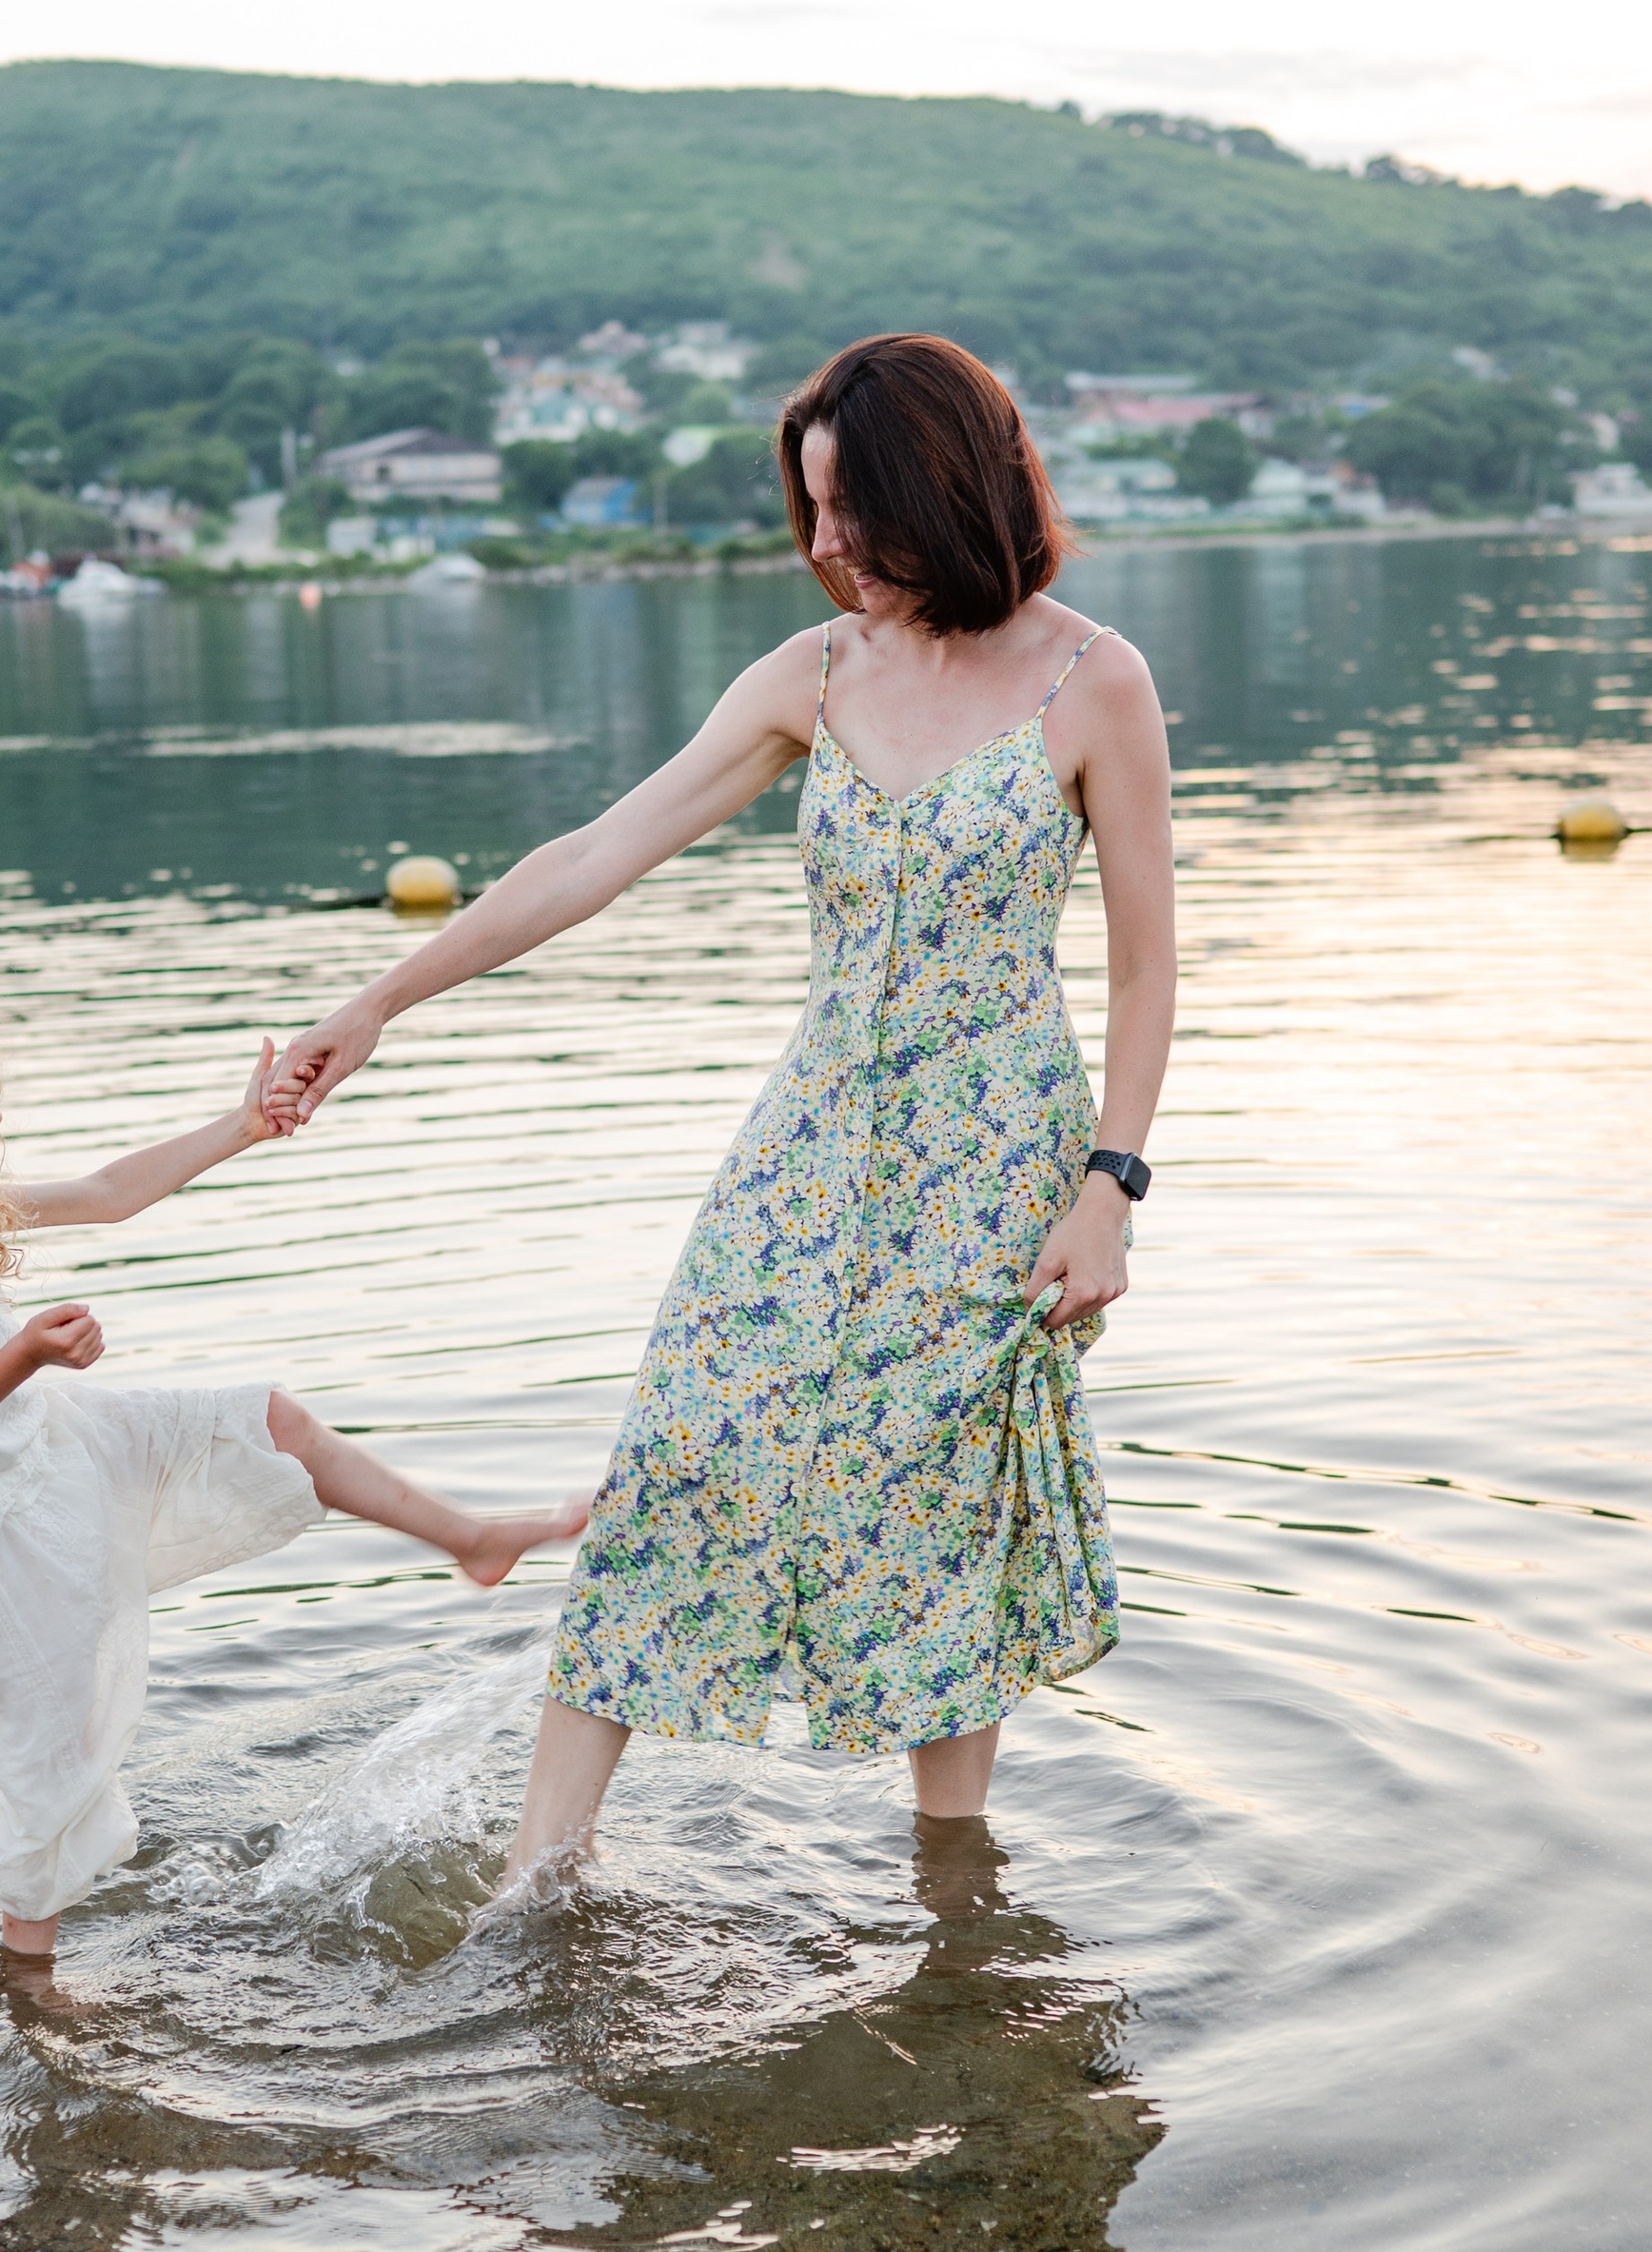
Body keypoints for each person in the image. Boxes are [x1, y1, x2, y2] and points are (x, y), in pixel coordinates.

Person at [274, 332, 1177, 1877]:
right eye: (810, 507)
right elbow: (588, 856)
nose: (823, 543)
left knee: (935, 1497)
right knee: (681, 1450)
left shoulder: (1094, 681)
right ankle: (537, 1881)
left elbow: (1148, 965)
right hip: (804, 1154)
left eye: (851, 508)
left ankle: (951, 1886)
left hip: (995, 1168)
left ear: (943, 487)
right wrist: (378, 1001)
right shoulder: (811, 677)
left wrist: (1111, 1186)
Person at [0, 971, 588, 1960]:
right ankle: (28, 1983)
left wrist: (243, 1126)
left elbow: (108, 1195)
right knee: (55, 1774)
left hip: (56, 1443)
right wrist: (26, 1353)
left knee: (265, 1421)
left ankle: (471, 1538)